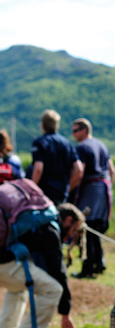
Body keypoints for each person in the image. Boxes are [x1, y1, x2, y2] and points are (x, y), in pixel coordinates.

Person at [0, 203, 84, 328]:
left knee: (17, 287)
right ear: (68, 220)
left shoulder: (37, 217)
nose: (70, 236)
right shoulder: (49, 229)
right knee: (53, 289)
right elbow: (58, 272)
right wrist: (65, 312)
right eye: (73, 229)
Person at [71, 118, 114, 278]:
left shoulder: (82, 147)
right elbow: (112, 170)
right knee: (96, 228)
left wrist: (70, 187)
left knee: (87, 226)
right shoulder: (101, 145)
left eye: (75, 130)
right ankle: (99, 263)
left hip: (91, 188)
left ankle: (88, 268)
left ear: (84, 130)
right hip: (105, 188)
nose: (73, 134)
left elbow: (79, 170)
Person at [31, 110, 83, 205]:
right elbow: (79, 169)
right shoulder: (67, 143)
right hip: (61, 192)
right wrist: (68, 187)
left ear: (42, 125)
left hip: (43, 192)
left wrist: (31, 189)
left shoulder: (40, 143)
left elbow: (38, 168)